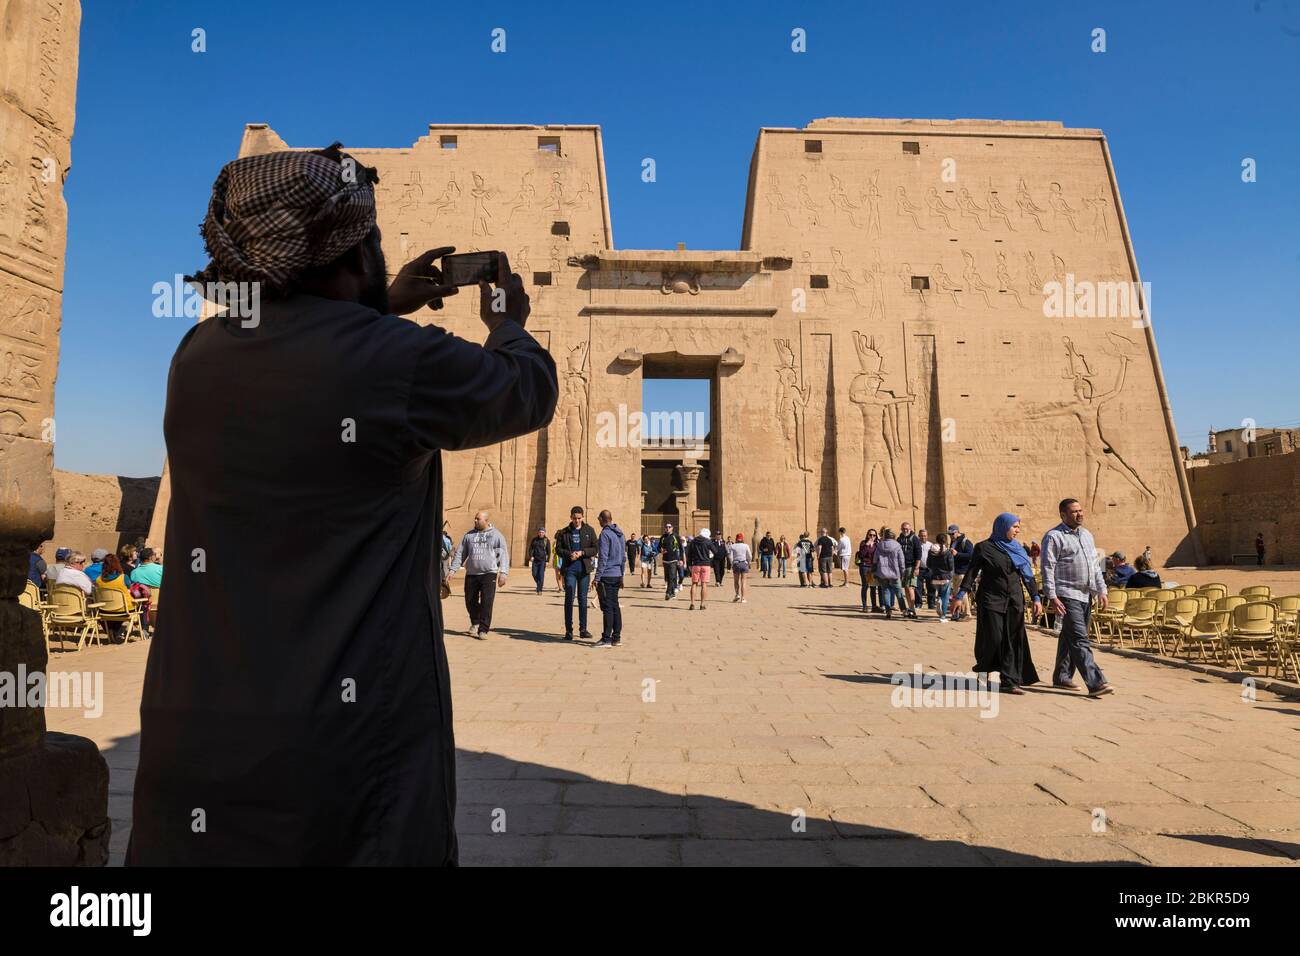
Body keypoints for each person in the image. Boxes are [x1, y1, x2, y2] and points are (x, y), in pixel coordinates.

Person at [129, 143, 557, 867]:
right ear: (352, 253)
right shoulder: (399, 360)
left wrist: (380, 301)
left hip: (197, 747)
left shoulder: (196, 357)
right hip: (344, 756)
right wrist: (508, 320)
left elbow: (306, 345)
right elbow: (527, 389)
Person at [951, 513, 1043, 695]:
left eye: (1018, 527)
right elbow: (972, 572)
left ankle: (1009, 681)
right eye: (1014, 527)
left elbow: (1028, 576)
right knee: (994, 638)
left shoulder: (1018, 549)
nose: (1018, 530)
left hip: (1014, 600)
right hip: (991, 599)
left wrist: (1036, 598)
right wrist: (960, 595)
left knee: (1012, 639)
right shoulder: (983, 548)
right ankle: (984, 669)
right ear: (1002, 526)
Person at [1041, 497, 1113, 697]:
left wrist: (1102, 590)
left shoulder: (1087, 535)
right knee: (1080, 639)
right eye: (1074, 511)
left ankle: (1062, 677)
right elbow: (1048, 567)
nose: (1079, 514)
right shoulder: (1054, 537)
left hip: (1085, 594)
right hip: (1066, 594)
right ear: (1063, 515)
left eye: (1081, 510)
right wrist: (1052, 596)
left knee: (1069, 636)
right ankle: (1096, 682)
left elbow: (1095, 565)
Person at [449, 513, 510, 639]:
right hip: (472, 573)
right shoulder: (469, 535)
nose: (475, 520)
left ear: (486, 520)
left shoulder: (496, 535)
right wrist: (452, 570)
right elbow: (460, 553)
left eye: (478, 519)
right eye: (475, 518)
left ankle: (483, 629)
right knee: (470, 601)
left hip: (489, 573)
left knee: (487, 602)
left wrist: (503, 573)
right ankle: (475, 622)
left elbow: (503, 555)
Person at [556, 506, 598, 639]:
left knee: (583, 599)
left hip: (584, 570)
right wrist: (570, 554)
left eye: (579, 518)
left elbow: (595, 548)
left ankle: (583, 629)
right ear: (570, 517)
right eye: (574, 518)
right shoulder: (564, 532)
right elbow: (558, 549)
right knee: (569, 597)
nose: (577, 521)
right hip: (570, 569)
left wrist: (583, 552)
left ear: (583, 517)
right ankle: (569, 630)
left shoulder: (589, 530)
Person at [593, 510, 625, 647]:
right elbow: (623, 558)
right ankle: (616, 637)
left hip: (607, 575)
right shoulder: (620, 533)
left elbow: (603, 558)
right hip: (617, 574)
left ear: (602, 519)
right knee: (615, 606)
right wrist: (622, 575)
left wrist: (597, 577)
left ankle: (606, 638)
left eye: (599, 519)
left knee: (607, 607)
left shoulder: (605, 534)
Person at [93, 554, 137, 641]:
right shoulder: (123, 577)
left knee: (112, 612)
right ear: (117, 564)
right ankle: (116, 631)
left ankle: (112, 630)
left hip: (105, 609)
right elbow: (129, 588)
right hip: (124, 609)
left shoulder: (98, 580)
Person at [872, 529, 906, 619]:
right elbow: (901, 561)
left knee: (886, 591)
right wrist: (903, 572)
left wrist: (874, 570)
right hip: (895, 572)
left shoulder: (879, 545)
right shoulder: (897, 545)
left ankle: (888, 611)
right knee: (899, 592)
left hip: (882, 573)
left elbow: (875, 559)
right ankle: (904, 610)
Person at [686, 528, 718, 610]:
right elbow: (715, 551)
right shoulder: (708, 541)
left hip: (695, 564)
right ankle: (702, 604)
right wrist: (710, 556)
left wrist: (689, 565)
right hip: (706, 564)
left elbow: (689, 554)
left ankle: (692, 603)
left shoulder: (693, 541)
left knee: (694, 584)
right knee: (704, 584)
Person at [949, 524, 974, 619]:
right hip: (955, 571)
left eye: (952, 534)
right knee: (955, 593)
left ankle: (967, 614)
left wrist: (957, 554)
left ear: (957, 532)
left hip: (963, 571)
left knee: (962, 594)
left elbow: (971, 555)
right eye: (949, 534)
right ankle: (958, 613)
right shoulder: (953, 542)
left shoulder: (966, 542)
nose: (950, 536)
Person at [929, 532, 956, 621]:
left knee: (940, 593)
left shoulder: (931, 551)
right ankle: (943, 616)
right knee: (945, 596)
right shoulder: (947, 552)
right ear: (945, 541)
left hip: (935, 576)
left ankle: (938, 599)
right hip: (945, 577)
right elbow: (951, 566)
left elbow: (928, 564)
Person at [896, 522, 921, 618]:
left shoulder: (914, 539)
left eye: (907, 528)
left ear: (910, 529)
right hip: (902, 567)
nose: (905, 530)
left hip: (911, 566)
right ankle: (909, 607)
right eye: (903, 529)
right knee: (906, 588)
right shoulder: (899, 539)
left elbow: (918, 554)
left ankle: (912, 609)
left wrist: (917, 567)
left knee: (910, 587)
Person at [856, 530, 879, 612]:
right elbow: (861, 555)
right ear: (867, 535)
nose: (872, 537)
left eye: (874, 535)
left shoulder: (877, 544)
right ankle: (864, 606)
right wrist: (867, 545)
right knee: (865, 586)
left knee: (873, 586)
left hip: (873, 567)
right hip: (865, 566)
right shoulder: (863, 543)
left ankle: (874, 606)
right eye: (870, 535)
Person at [659, 522, 683, 600]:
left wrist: (681, 559)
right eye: (666, 527)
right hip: (665, 560)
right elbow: (658, 547)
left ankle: (668, 592)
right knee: (668, 577)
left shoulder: (676, 536)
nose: (668, 528)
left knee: (672, 576)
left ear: (672, 528)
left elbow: (681, 548)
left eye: (669, 527)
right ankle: (672, 593)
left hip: (674, 560)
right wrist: (661, 550)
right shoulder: (663, 537)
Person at [915, 528, 936, 610]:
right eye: (921, 536)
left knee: (931, 587)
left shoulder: (931, 545)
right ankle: (918, 604)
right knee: (918, 587)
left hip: (929, 569)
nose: (923, 537)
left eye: (924, 536)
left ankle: (931, 604)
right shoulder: (916, 544)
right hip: (919, 569)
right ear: (918, 536)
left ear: (927, 536)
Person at [730, 532, 752, 603]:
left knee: (736, 581)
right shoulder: (746, 546)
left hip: (736, 563)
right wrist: (748, 562)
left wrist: (732, 564)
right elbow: (750, 556)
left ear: (736, 539)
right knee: (743, 581)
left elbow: (730, 557)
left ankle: (737, 594)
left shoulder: (733, 546)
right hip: (744, 563)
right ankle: (743, 598)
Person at [528, 527, 551, 594]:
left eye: (542, 532)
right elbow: (530, 549)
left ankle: (539, 589)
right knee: (534, 574)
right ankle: (539, 584)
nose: (541, 533)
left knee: (541, 575)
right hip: (535, 560)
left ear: (544, 533)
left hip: (542, 560)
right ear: (538, 532)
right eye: (540, 532)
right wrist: (531, 556)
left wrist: (547, 561)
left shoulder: (546, 540)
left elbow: (548, 551)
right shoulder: (534, 540)